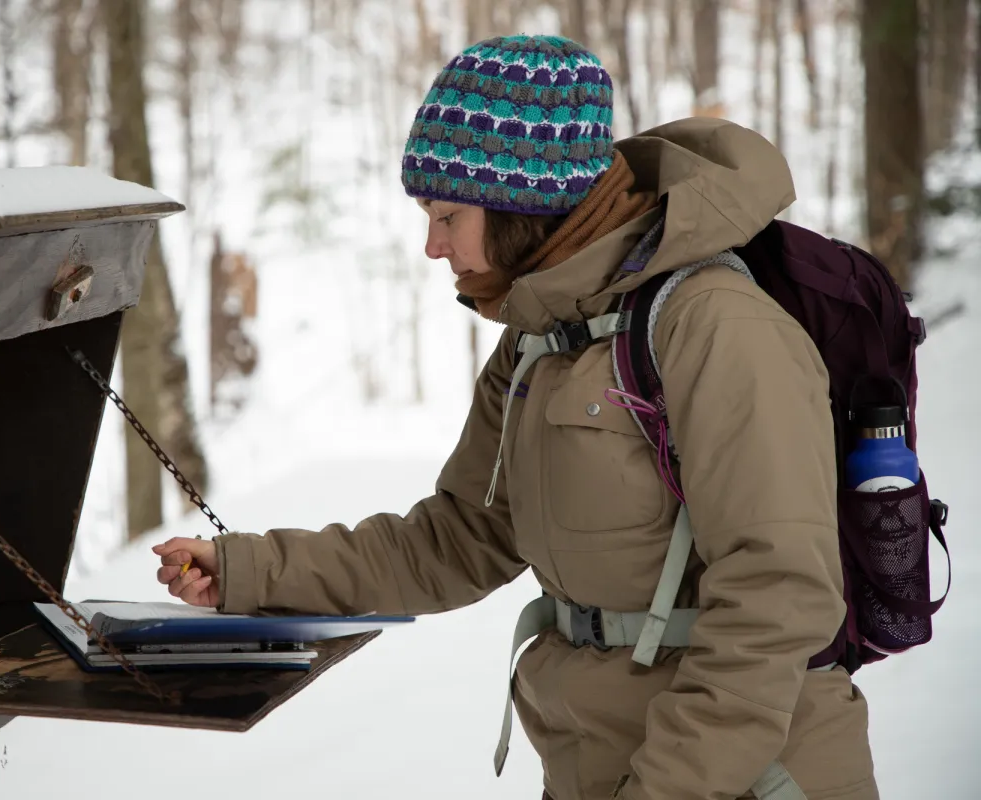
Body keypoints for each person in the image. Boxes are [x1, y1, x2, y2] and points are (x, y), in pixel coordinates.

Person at [153, 35, 877, 800]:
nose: (432, 246)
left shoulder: (715, 329)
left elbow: (775, 602)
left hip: (742, 778)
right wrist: (246, 571)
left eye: (448, 214)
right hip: (598, 765)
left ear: (524, 202)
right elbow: (458, 540)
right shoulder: (542, 339)